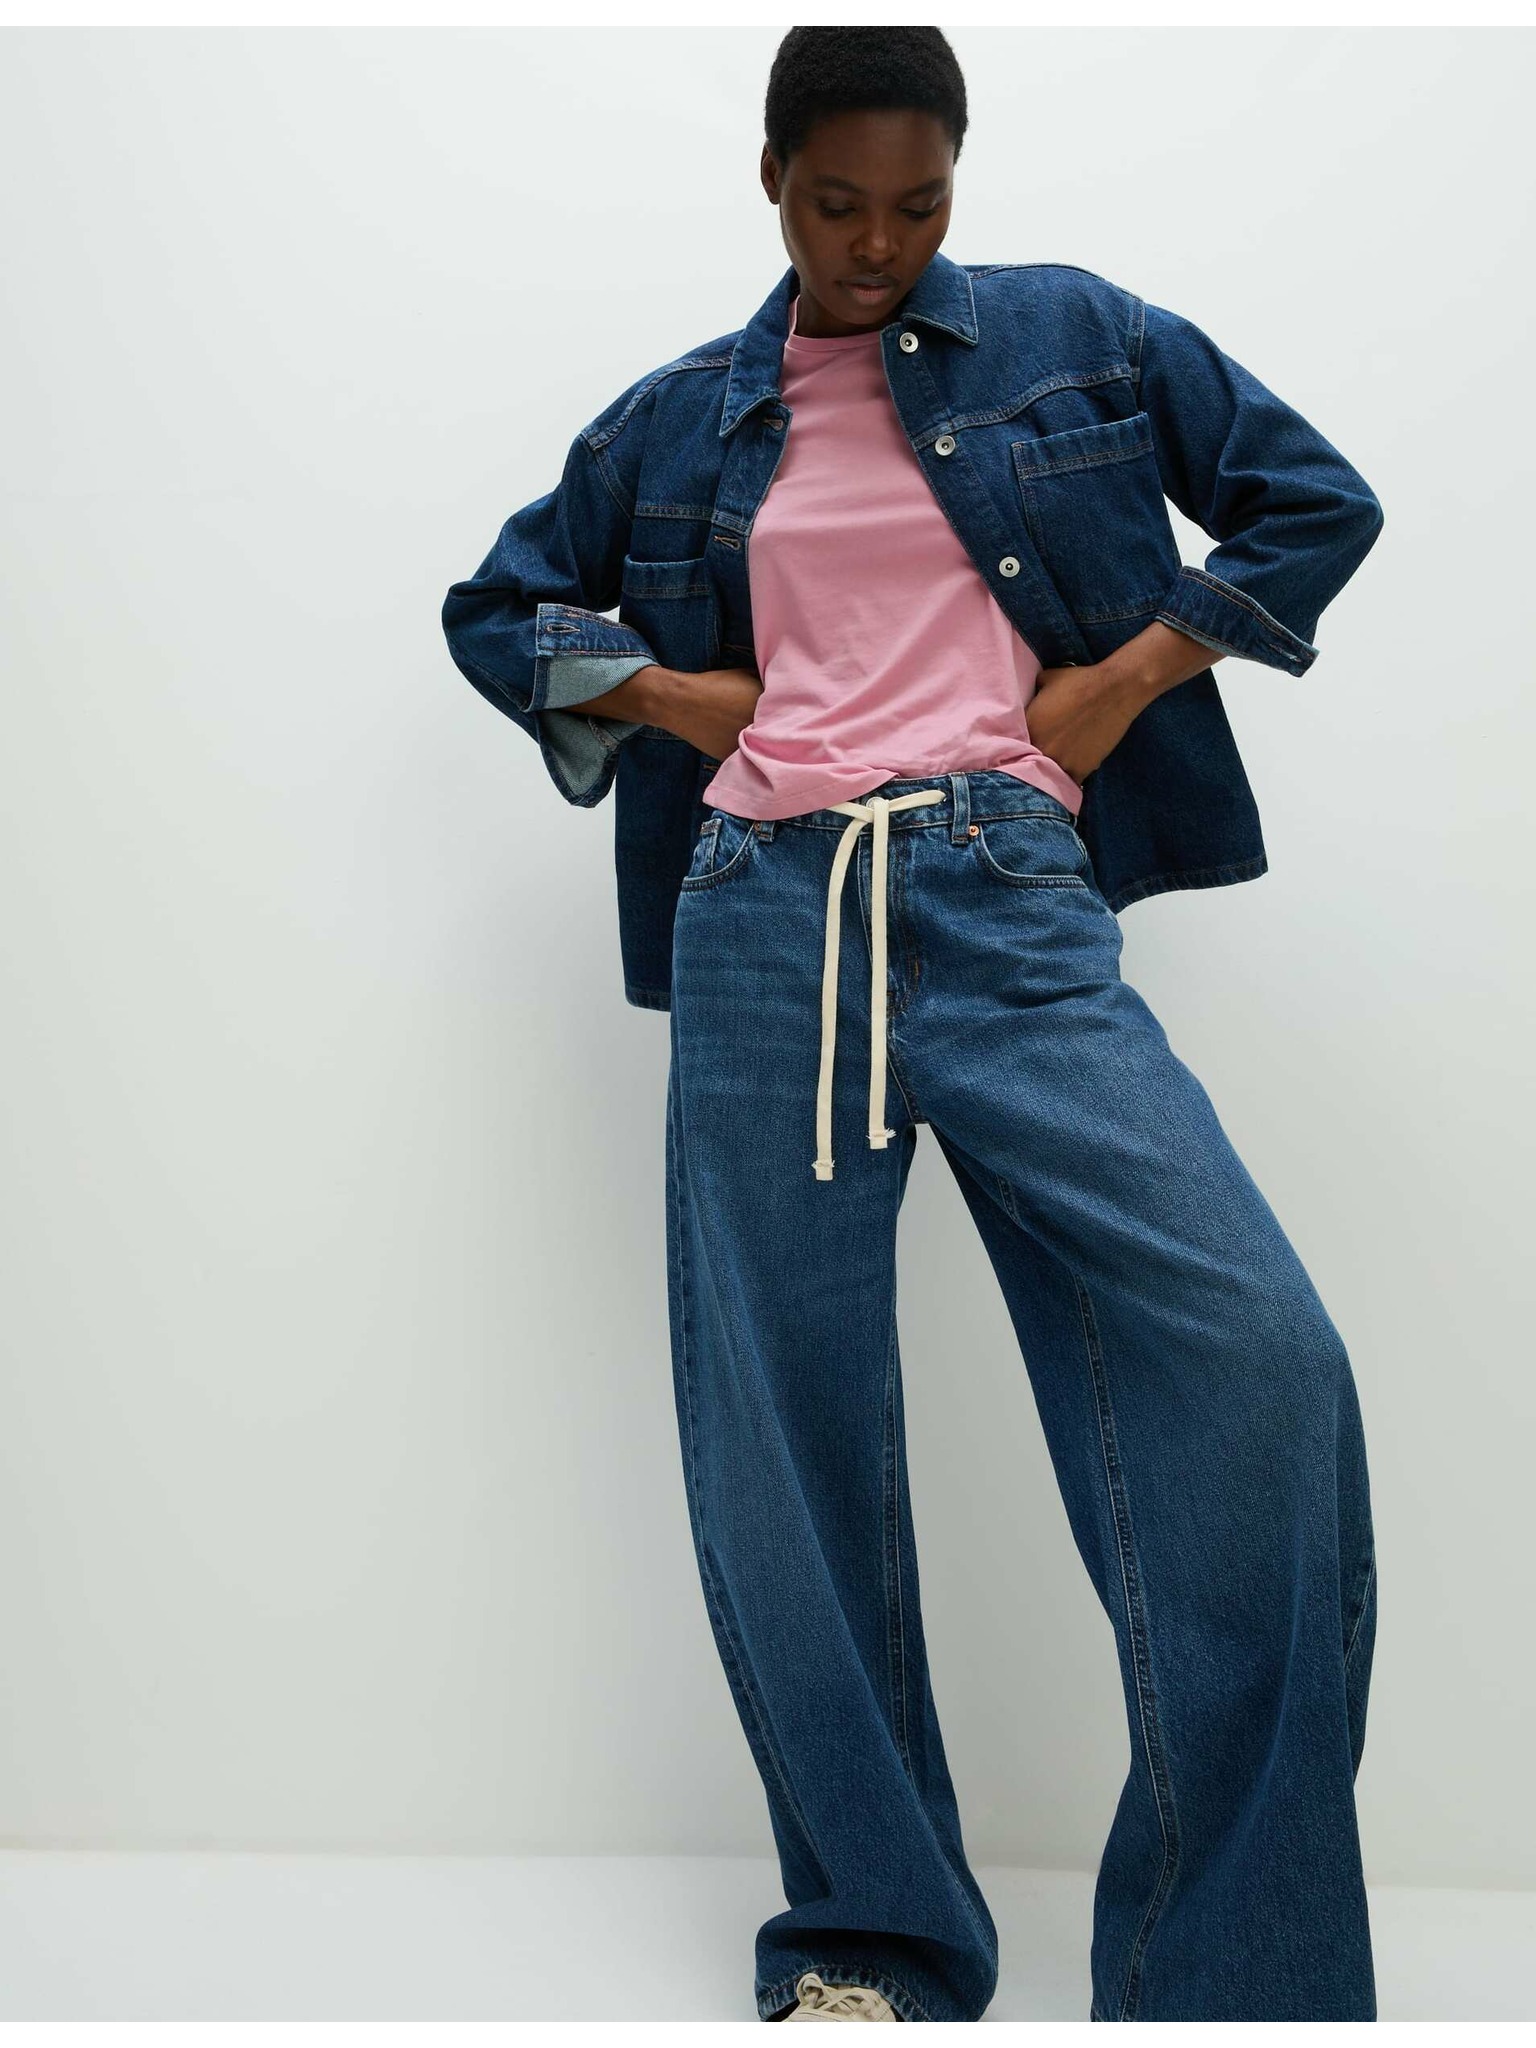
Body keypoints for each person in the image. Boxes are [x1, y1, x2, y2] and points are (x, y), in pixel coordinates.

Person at [441, 27, 1383, 2024]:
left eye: (919, 203)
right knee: (788, 1435)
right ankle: (872, 1940)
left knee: (1264, 1361)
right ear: (772, 182)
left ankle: (1233, 1975)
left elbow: (1313, 500)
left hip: (1010, 897)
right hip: (764, 920)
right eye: (838, 204)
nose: (879, 243)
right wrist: (679, 700)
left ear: (961, 177)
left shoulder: (1077, 338)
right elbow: (498, 609)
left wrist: (1121, 681)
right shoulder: (683, 416)